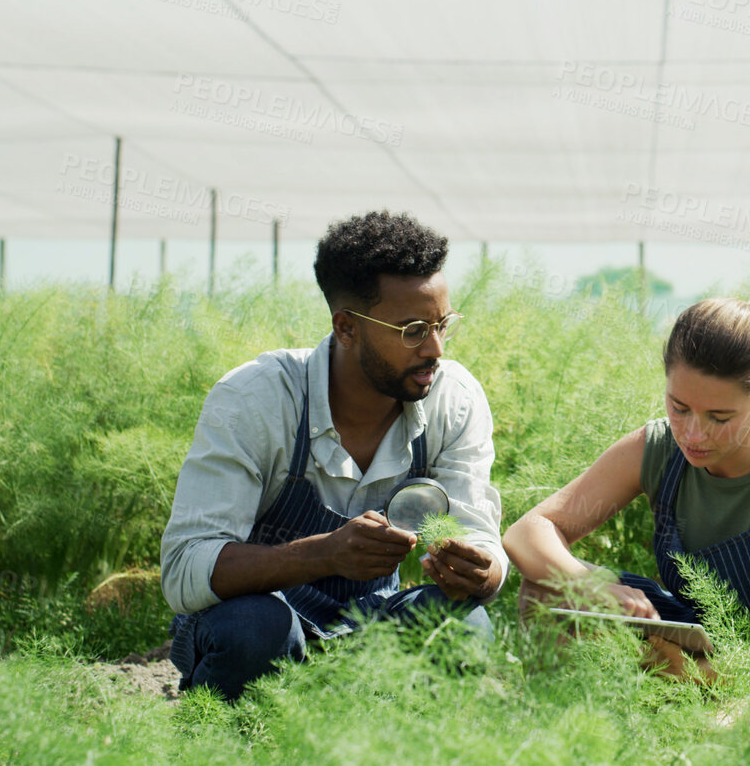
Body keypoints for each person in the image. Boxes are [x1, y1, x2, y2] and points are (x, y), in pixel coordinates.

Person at [161, 210, 507, 699]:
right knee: (254, 629)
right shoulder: (256, 399)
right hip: (270, 621)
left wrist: (480, 571)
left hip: (373, 626)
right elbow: (185, 570)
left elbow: (484, 542)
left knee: (464, 626)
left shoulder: (455, 399)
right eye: (412, 330)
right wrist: (324, 553)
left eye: (442, 324)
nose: (434, 348)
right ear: (346, 328)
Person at [505, 297, 750, 664]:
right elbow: (528, 532)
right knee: (551, 587)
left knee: (731, 726)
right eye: (679, 407)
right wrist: (591, 584)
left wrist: (690, 675)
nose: (693, 434)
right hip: (715, 646)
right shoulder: (656, 448)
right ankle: (560, 718)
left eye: (719, 417)